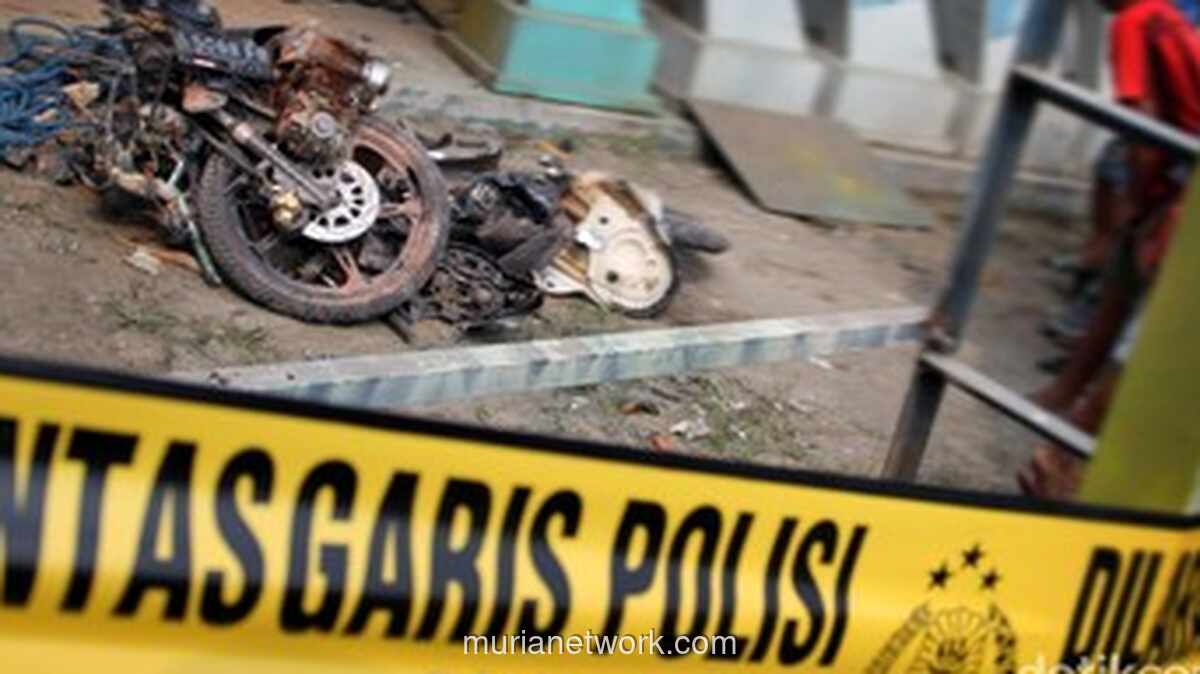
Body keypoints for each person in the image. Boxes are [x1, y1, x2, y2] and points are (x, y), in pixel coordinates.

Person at [1020, 0, 1199, 498]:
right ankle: (1065, 409)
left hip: (1179, 180)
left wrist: (1140, 202)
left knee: (1141, 332)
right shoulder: (1165, 16)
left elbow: (1142, 123)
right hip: (1178, 171)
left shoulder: (1136, 19)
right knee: (1120, 286)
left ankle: (1064, 453)